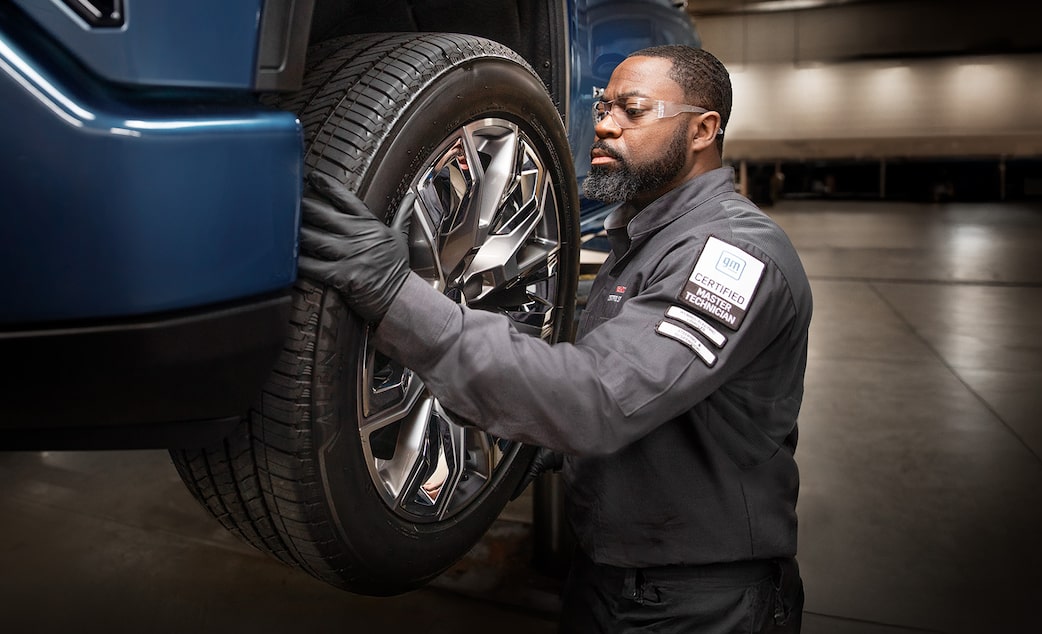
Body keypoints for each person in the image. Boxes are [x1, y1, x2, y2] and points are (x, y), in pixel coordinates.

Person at [299, 45, 811, 633]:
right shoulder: (645, 239)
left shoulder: (734, 257)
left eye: (633, 110)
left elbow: (597, 400)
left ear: (702, 130)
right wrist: (536, 441)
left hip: (704, 603)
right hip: (604, 577)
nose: (602, 123)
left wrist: (397, 296)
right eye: (603, 105)